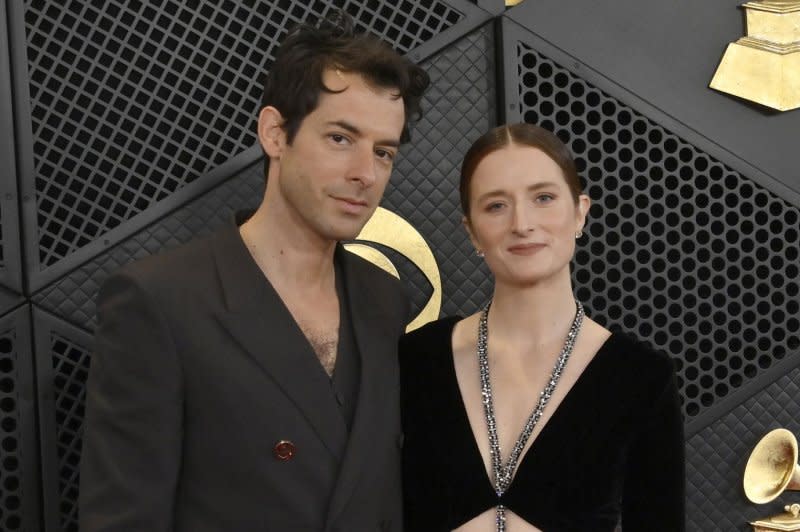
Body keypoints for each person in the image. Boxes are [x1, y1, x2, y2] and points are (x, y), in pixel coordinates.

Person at [80, 13, 429, 532]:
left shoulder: (386, 299)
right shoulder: (159, 301)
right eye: (340, 138)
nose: (365, 173)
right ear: (274, 133)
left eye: (384, 152)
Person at [399, 123, 685, 531]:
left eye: (543, 198)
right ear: (471, 231)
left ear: (579, 211)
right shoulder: (417, 359)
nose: (522, 223)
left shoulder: (641, 376)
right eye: (496, 205)